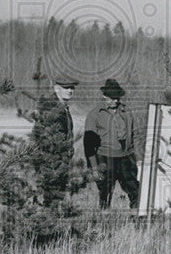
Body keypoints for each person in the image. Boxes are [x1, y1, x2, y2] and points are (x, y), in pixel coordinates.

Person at [83, 79, 140, 210]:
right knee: (105, 193)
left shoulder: (127, 113)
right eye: (112, 97)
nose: (116, 100)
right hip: (105, 158)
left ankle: (137, 220)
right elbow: (88, 144)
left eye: (117, 97)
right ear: (104, 96)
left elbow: (135, 135)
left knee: (135, 191)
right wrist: (94, 168)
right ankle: (105, 222)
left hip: (126, 158)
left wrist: (139, 159)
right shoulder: (95, 114)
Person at [29, 75, 79, 204]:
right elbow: (39, 135)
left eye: (72, 88)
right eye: (66, 87)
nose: (70, 90)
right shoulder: (50, 107)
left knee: (57, 196)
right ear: (57, 88)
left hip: (61, 160)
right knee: (50, 197)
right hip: (50, 160)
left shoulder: (63, 107)